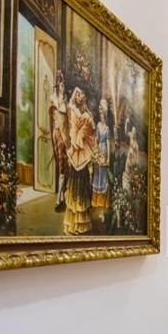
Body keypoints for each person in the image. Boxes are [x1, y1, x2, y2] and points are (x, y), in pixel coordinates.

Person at [64, 87, 96, 235]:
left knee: (82, 186)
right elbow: (70, 105)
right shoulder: (74, 111)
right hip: (75, 152)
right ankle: (72, 224)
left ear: (85, 97)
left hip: (83, 152)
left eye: (81, 93)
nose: (78, 96)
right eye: (77, 94)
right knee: (74, 185)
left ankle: (80, 224)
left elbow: (91, 132)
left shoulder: (88, 116)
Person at [49, 72, 69, 211]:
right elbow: (52, 114)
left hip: (64, 135)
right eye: (59, 83)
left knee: (63, 164)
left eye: (62, 84)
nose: (61, 86)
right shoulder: (52, 98)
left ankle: (58, 198)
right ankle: (61, 196)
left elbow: (66, 115)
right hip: (56, 133)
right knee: (59, 163)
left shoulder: (65, 100)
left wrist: (62, 97)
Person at [92, 99, 112, 209]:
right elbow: (96, 140)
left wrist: (108, 158)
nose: (101, 117)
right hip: (99, 151)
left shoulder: (107, 128)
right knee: (97, 173)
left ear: (105, 115)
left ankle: (103, 202)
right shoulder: (98, 125)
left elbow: (108, 143)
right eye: (100, 115)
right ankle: (96, 201)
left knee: (103, 174)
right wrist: (95, 152)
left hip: (104, 152)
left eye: (103, 115)